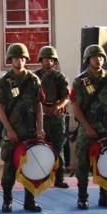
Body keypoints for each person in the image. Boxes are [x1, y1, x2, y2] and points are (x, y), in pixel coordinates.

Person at [71, 44, 107, 210]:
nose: (98, 59)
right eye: (95, 56)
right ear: (88, 59)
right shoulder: (80, 81)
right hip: (88, 130)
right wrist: (87, 128)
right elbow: (76, 107)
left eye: (101, 57)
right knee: (83, 165)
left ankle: (105, 196)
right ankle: (82, 197)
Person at [0, 43, 45, 213]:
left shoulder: (33, 80)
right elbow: (0, 107)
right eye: (16, 58)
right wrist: (9, 129)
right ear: (11, 60)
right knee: (9, 167)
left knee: (31, 167)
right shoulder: (4, 81)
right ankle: (7, 200)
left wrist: (40, 128)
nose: (20, 61)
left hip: (30, 132)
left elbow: (38, 105)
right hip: (12, 132)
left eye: (22, 58)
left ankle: (29, 201)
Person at [34, 46, 70, 188]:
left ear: (54, 61)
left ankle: (59, 178)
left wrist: (57, 106)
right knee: (40, 148)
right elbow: (32, 97)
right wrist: (42, 110)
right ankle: (40, 177)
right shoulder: (34, 76)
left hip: (56, 116)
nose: (48, 61)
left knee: (58, 148)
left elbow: (66, 96)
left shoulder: (59, 77)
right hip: (40, 117)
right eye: (45, 59)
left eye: (51, 59)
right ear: (41, 60)